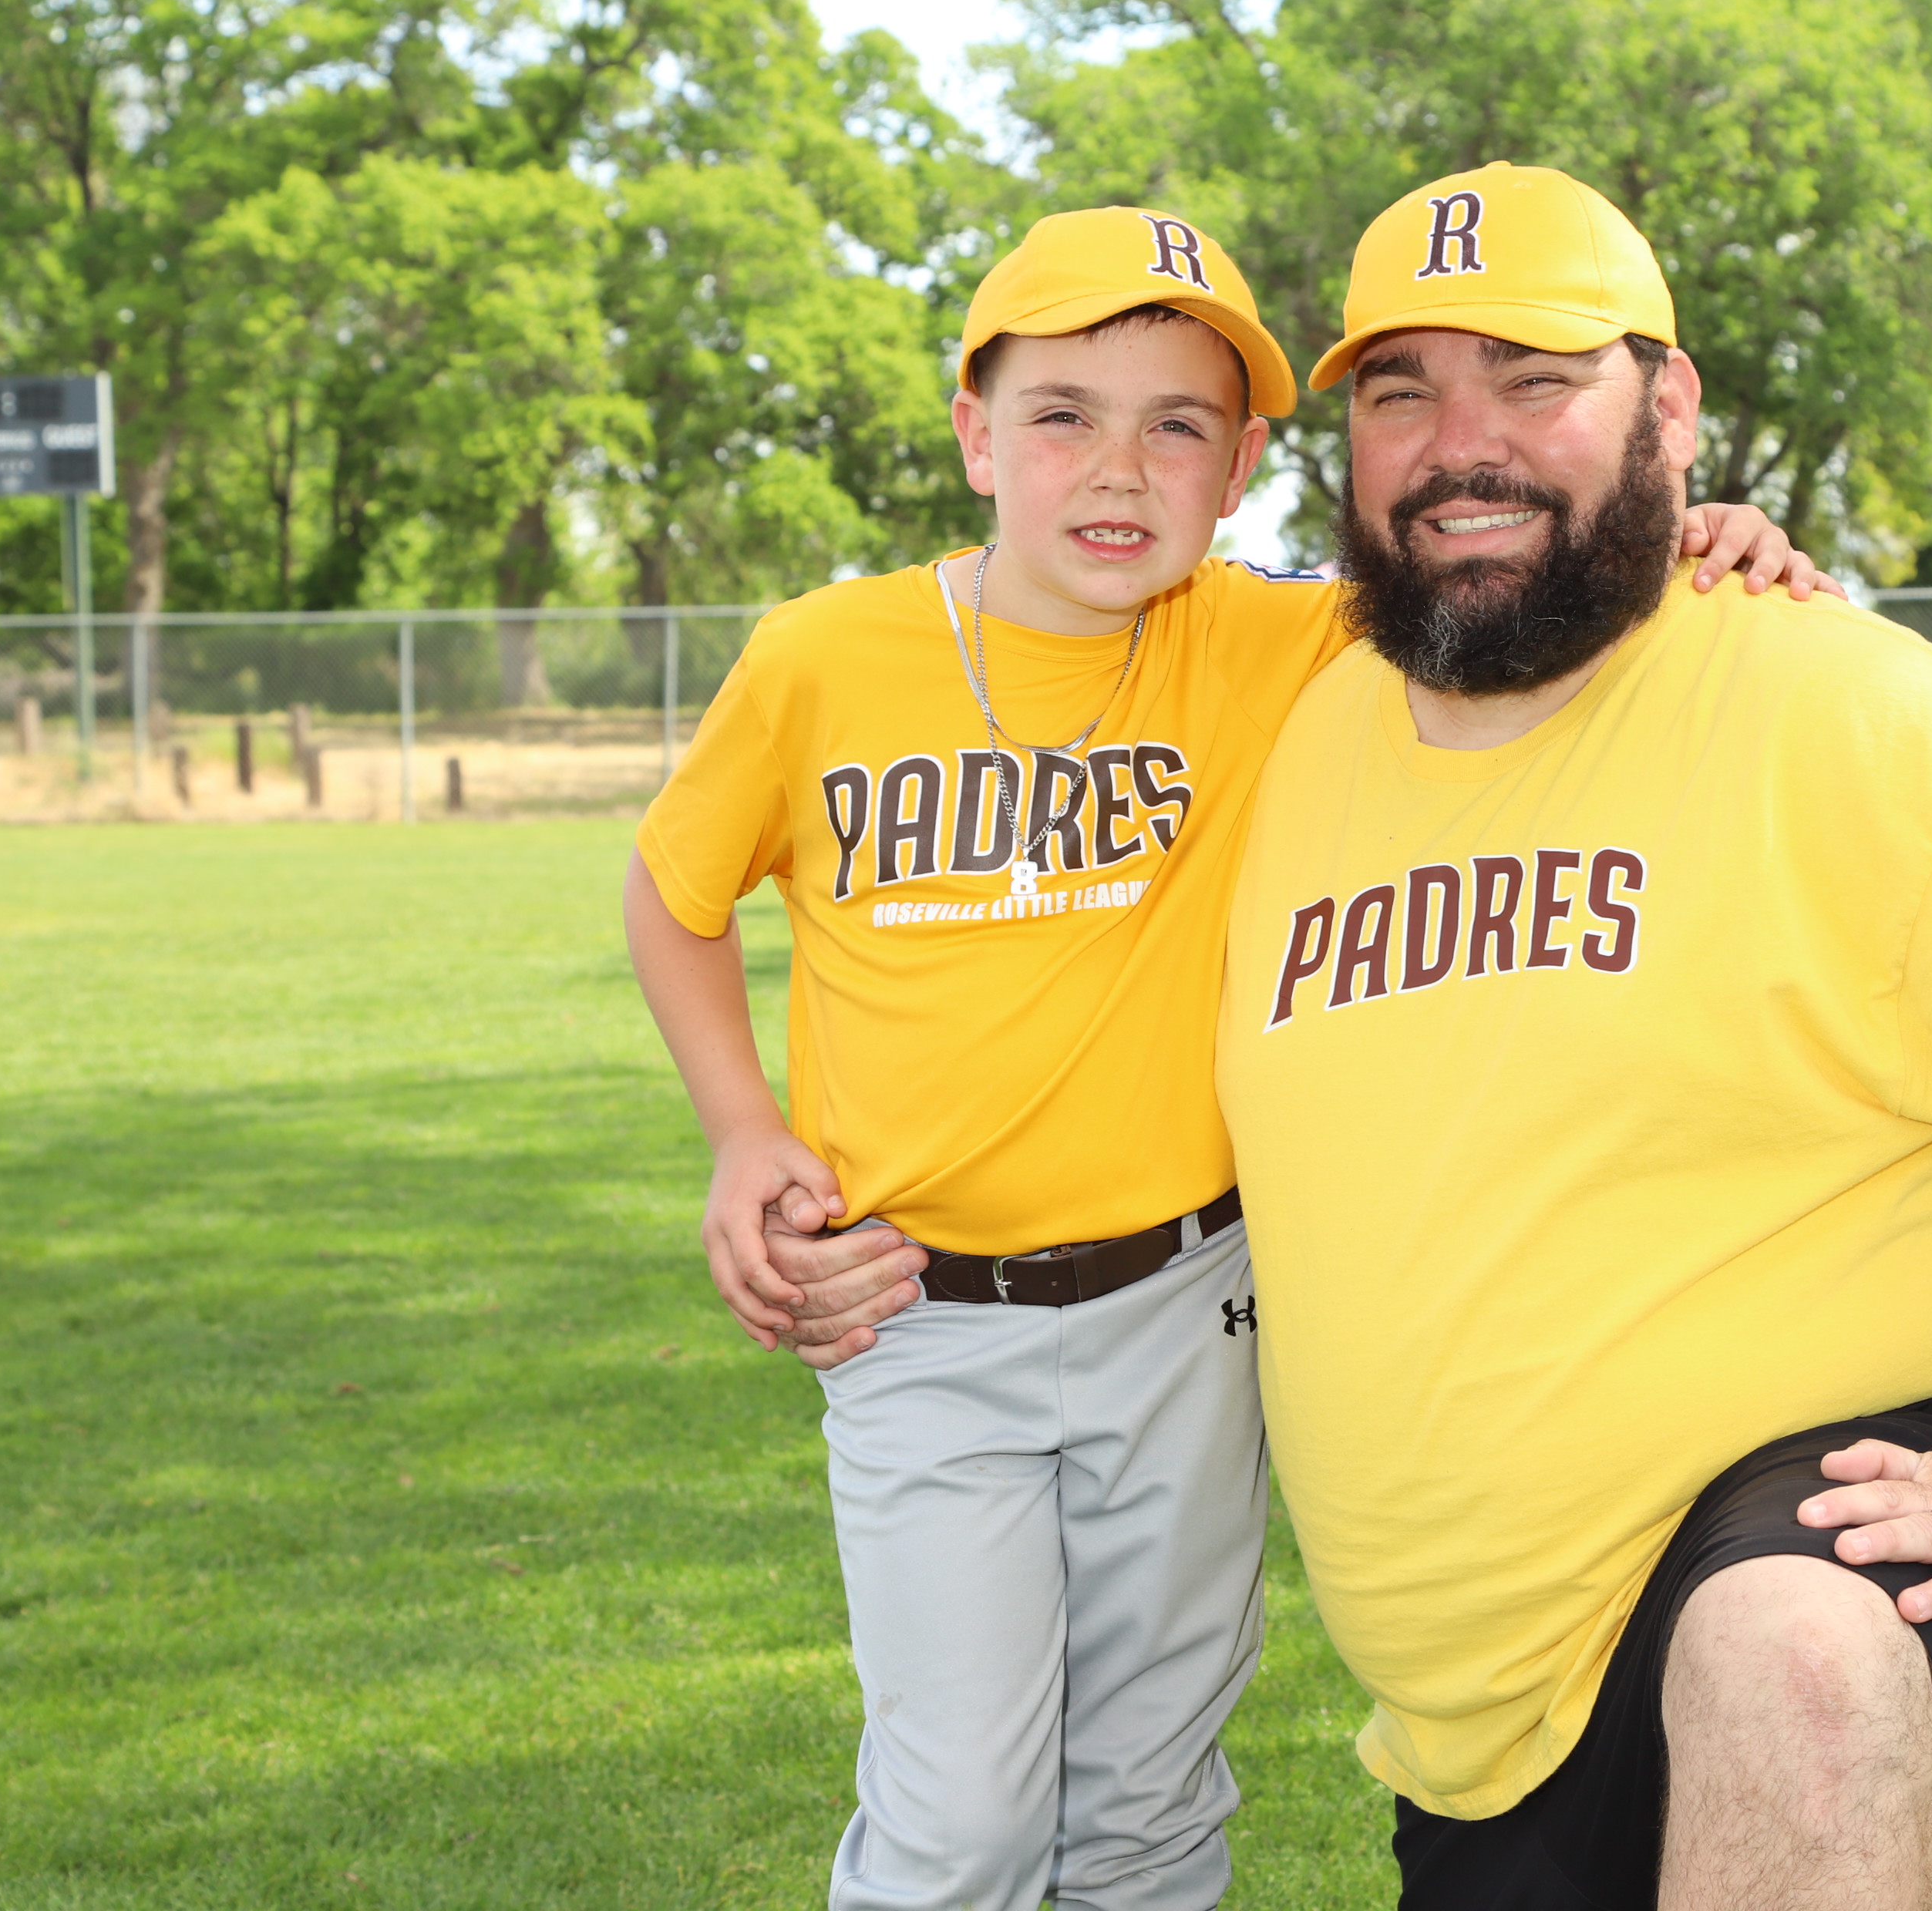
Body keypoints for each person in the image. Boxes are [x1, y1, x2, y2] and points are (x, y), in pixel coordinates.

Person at [623, 203, 1829, 1911]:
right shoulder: (826, 657)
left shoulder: (1274, 643)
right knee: (961, 1821)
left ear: (1244, 464)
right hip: (916, 1313)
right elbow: (673, 893)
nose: (1119, 469)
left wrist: (1698, 528)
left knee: (1146, 1800)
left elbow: (1516, 586)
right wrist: (743, 1132)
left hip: (1189, 1308)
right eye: (1063, 415)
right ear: (976, 434)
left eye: (1179, 425)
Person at [1212, 162, 1932, 1911]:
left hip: (1842, 1489)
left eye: (1534, 380)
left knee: (1796, 1657)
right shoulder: (1292, 715)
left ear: (1668, 408)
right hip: (1487, 1708)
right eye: (1401, 392)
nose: (1463, 444)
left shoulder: (1836, 704)